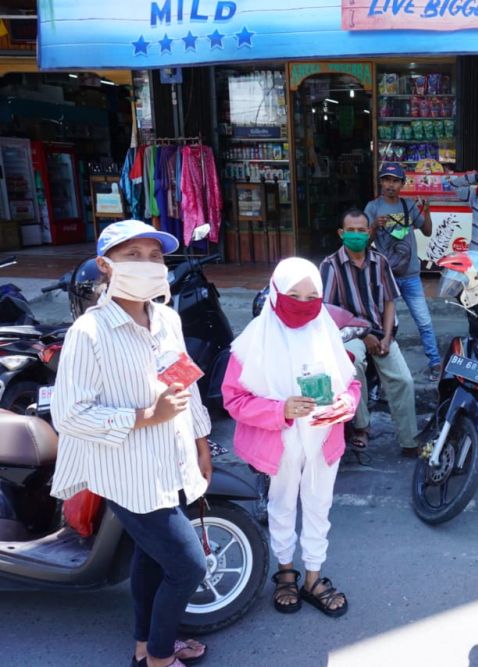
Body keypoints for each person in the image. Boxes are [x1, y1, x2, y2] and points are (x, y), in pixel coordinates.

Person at [50, 220, 214, 667]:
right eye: (133, 256)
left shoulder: (167, 319)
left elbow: (186, 382)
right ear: (105, 266)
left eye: (155, 257)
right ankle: (160, 658)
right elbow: (69, 416)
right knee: (188, 567)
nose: (147, 265)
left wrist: (200, 438)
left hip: (172, 461)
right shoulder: (90, 333)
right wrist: (146, 416)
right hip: (128, 474)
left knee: (150, 556)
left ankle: (145, 643)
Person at [223, 258, 359, 618]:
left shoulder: (326, 331)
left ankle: (313, 577)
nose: (303, 303)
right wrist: (280, 409)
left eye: (313, 295)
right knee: (281, 505)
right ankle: (286, 572)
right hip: (278, 442)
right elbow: (234, 399)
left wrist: (346, 403)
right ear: (275, 293)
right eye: (294, 294)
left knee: (319, 507)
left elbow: (351, 383)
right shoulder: (253, 341)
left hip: (323, 439)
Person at [319, 209, 418, 457]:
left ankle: (409, 439)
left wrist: (386, 336)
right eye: (350, 231)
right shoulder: (330, 266)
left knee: (404, 379)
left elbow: (389, 302)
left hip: (379, 331)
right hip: (349, 334)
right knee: (354, 367)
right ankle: (361, 426)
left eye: (361, 231)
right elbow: (328, 312)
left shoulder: (380, 262)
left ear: (369, 233)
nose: (356, 235)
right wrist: (364, 335)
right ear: (341, 233)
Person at [366, 163, 442, 382]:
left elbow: (427, 231)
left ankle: (435, 362)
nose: (390, 184)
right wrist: (374, 227)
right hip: (385, 276)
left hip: (410, 275)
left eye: (395, 180)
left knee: (424, 321)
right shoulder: (372, 208)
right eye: (387, 180)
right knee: (386, 324)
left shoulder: (408, 205)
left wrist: (426, 212)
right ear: (381, 182)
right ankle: (384, 368)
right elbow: (364, 242)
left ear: (402, 184)